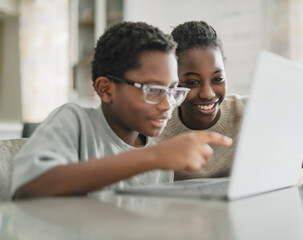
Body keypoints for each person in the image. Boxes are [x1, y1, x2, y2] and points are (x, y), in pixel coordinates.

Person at [10, 21, 233, 199]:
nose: (167, 105)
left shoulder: (161, 165)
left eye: (174, 91)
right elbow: (29, 185)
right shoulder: (74, 122)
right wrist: (153, 157)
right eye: (153, 90)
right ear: (106, 89)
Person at [155, 21, 303, 180]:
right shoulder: (157, 126)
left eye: (218, 79)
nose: (207, 93)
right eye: (192, 82)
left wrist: (288, 140)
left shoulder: (252, 112)